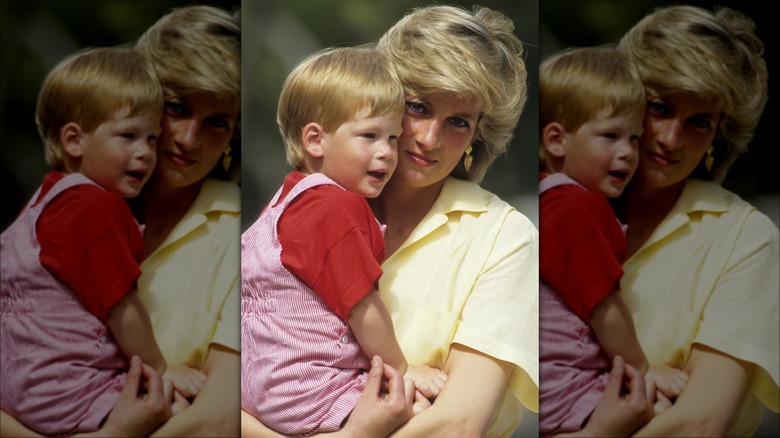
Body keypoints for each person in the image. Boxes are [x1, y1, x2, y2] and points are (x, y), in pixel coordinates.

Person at [242, 4, 539, 438]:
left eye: (458, 121)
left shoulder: (504, 236)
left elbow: (457, 424)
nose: (429, 138)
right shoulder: (308, 203)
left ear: (479, 136)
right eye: (417, 107)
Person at [0, 3, 242, 436]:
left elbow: (219, 420)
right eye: (177, 107)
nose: (188, 139)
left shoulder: (246, 230)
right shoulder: (70, 205)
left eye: (217, 122)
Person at [566, 3, 779, 437]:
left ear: (720, 136)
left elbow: (699, 422)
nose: (670, 138)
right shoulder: (563, 200)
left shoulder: (747, 238)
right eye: (660, 107)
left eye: (698, 122)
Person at [241, 45, 447, 436]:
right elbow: (361, 307)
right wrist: (404, 370)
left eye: (392, 137)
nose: (387, 153)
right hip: (312, 392)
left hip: (257, 393)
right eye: (369, 136)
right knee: (424, 413)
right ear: (315, 140)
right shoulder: (336, 207)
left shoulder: (283, 202)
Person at [537, 46, 686, 436]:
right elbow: (604, 306)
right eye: (611, 136)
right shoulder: (576, 208)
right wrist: (644, 367)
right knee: (672, 412)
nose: (628, 153)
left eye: (635, 138)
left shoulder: (545, 199)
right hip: (571, 391)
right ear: (556, 140)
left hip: (551, 394)